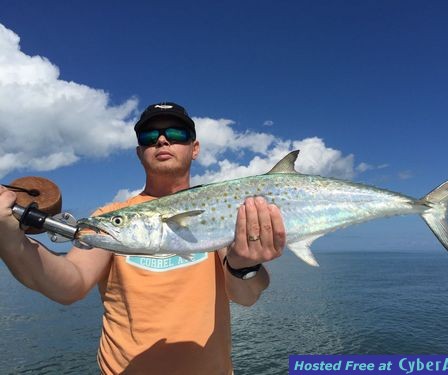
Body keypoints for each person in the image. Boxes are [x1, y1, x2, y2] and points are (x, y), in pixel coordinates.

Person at [0, 102, 286, 374]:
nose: (162, 141)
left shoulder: (221, 209)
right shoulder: (112, 216)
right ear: (139, 152)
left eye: (176, 134)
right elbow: (68, 283)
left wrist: (244, 265)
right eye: (150, 136)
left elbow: (247, 296)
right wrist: (11, 240)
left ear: (194, 148)